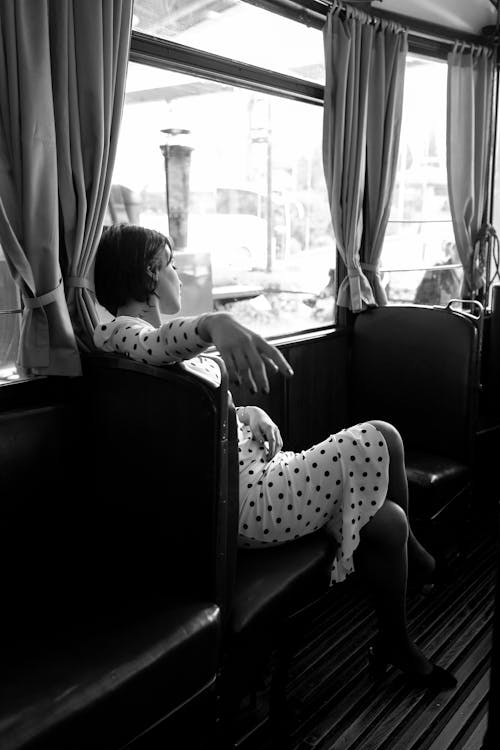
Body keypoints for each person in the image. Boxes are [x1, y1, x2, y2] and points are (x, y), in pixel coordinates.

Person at [93, 223, 457, 691]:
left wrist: (245, 412)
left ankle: (397, 640)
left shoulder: (144, 347)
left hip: (261, 477)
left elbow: (192, 408)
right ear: (149, 276)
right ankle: (422, 564)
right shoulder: (123, 336)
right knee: (382, 436)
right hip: (253, 504)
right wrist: (215, 323)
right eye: (172, 267)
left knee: (386, 522)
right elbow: (155, 347)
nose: (180, 276)